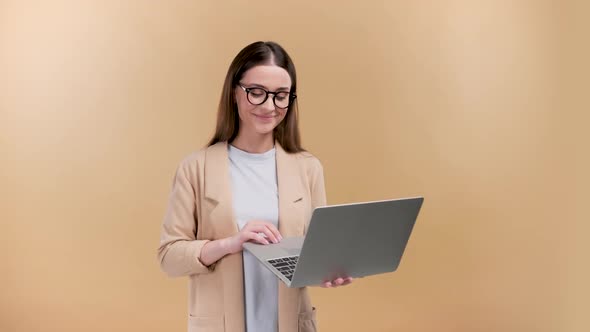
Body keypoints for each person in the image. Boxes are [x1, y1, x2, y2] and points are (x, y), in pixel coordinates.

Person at [157, 41, 352, 332]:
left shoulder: (307, 167)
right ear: (235, 92)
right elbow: (169, 257)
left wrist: (327, 271)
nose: (269, 106)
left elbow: (313, 251)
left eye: (281, 96)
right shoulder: (196, 168)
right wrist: (230, 243)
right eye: (257, 93)